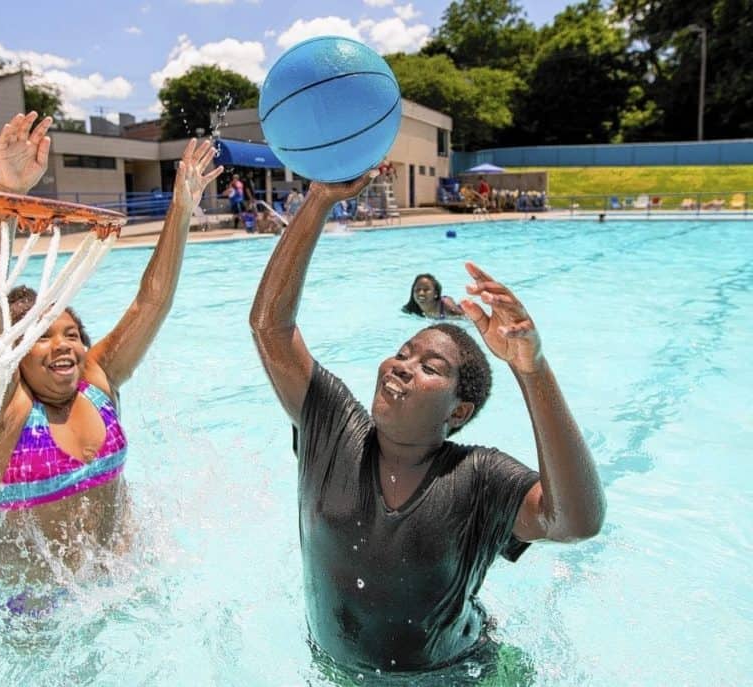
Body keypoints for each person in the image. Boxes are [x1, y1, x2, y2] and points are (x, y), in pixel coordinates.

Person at [248, 172, 605, 676]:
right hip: (335, 672)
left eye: (429, 368)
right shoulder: (333, 430)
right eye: (401, 354)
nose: (402, 367)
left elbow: (575, 521)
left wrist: (532, 368)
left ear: (458, 411)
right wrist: (320, 199)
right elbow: (270, 327)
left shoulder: (478, 478)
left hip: (457, 674)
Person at [0, 112, 222, 586]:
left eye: (71, 333)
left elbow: (153, 299)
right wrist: (6, 195)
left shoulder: (98, 382)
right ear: (15, 356)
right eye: (43, 336)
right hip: (35, 610)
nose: (63, 345)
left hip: (120, 583)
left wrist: (182, 207)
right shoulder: (10, 409)